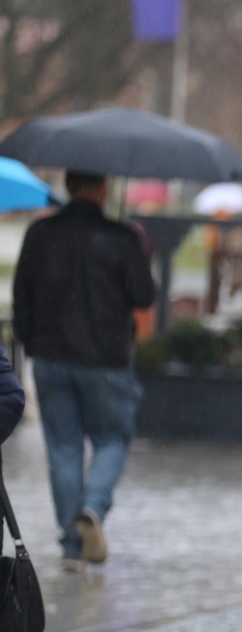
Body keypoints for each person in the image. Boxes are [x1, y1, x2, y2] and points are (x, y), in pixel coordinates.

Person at [10, 170, 155, 568]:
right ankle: (92, 507)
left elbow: (21, 293)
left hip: (51, 357)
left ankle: (71, 544)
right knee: (112, 439)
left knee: (63, 448)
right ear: (103, 187)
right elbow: (145, 294)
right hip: (107, 359)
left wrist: (31, 340)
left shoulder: (40, 234)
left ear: (69, 186)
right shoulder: (122, 237)